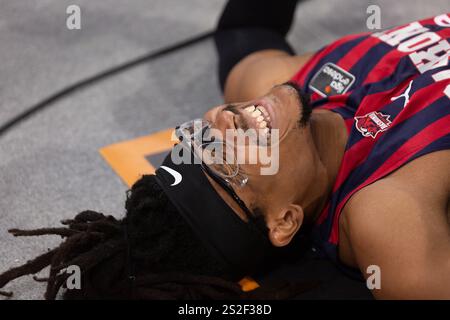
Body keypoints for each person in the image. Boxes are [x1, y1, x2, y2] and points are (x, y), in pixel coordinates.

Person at [1, 1, 449, 299]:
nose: (222, 121)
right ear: (285, 220)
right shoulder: (386, 213)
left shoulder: (273, 83)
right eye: (224, 159)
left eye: (200, 135)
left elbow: (246, 27)